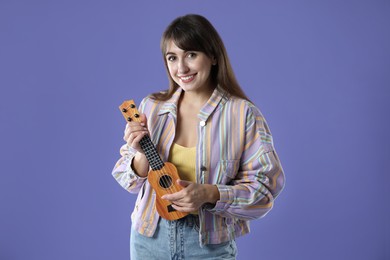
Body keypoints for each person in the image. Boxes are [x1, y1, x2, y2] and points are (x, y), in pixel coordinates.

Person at [112, 14, 285, 260]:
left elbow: (265, 189)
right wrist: (140, 155)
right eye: (173, 57)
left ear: (213, 56)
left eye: (191, 55)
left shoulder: (242, 114)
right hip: (149, 238)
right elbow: (127, 179)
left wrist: (209, 194)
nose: (181, 68)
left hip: (207, 243)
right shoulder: (152, 107)